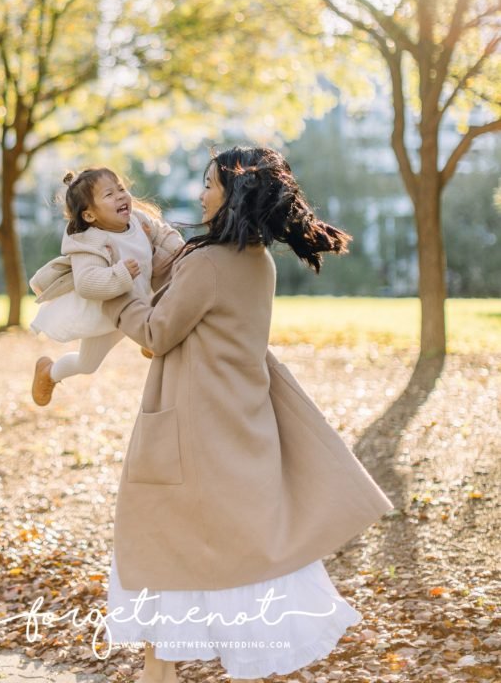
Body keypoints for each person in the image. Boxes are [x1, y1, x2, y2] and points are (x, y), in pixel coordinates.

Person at [99, 146, 394, 682]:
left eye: (210, 184)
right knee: (224, 567)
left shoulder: (209, 263)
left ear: (233, 194)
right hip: (239, 425)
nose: (201, 194)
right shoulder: (255, 260)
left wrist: (111, 296)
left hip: (194, 434)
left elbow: (156, 332)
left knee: (167, 569)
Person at [29, 167, 184, 406]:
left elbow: (162, 234)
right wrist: (120, 274)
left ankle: (151, 340)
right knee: (86, 364)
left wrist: (180, 249)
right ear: (90, 216)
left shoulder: (138, 220)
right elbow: (86, 283)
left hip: (142, 302)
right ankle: (48, 372)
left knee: (167, 317)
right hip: (108, 312)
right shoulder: (91, 243)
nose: (121, 196)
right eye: (109, 195)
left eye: (121, 189)